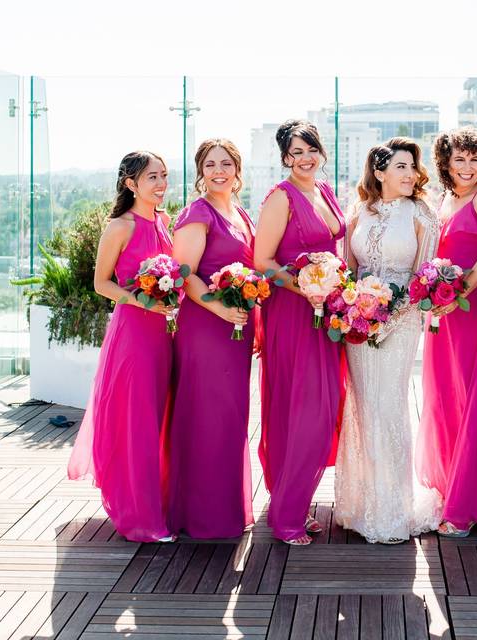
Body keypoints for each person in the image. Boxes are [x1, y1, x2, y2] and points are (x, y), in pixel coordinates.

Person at [334, 138, 443, 543]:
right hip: (357, 323)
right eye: (401, 166)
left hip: (402, 320)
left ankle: (392, 509)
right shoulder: (358, 211)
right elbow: (347, 269)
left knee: (388, 405)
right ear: (379, 172)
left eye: (413, 167)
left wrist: (388, 317)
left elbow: (423, 277)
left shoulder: (423, 214)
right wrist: (355, 311)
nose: (410, 174)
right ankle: (360, 503)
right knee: (362, 405)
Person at [67, 151, 175, 543]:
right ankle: (141, 518)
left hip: (164, 335)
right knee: (139, 423)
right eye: (152, 178)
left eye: (164, 176)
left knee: (158, 419)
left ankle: (157, 502)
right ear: (130, 184)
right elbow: (101, 284)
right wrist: (140, 300)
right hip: (134, 335)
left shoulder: (164, 222)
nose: (161, 184)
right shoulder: (121, 226)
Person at [253, 120, 345, 546]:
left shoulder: (323, 191)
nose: (305, 158)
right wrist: (304, 285)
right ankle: (287, 516)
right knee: (301, 407)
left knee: (324, 408)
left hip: (324, 313)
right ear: (285, 157)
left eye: (311, 149)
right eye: (296, 152)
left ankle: (295, 499)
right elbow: (263, 261)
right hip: (292, 313)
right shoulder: (280, 198)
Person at [417, 127, 477, 537]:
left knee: (471, 399)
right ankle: (451, 488)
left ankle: (468, 507)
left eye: (474, 158)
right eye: (459, 159)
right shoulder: (445, 199)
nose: (467, 166)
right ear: (446, 164)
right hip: (445, 312)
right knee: (446, 397)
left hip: (471, 311)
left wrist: (461, 290)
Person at [167, 139, 256, 539]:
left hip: (237, 326)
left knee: (231, 417)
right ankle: (201, 515)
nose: (218, 170)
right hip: (206, 326)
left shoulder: (239, 212)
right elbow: (184, 272)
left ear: (237, 169)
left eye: (225, 163)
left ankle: (226, 509)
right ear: (200, 171)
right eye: (209, 164)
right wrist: (220, 309)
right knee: (206, 414)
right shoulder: (197, 213)